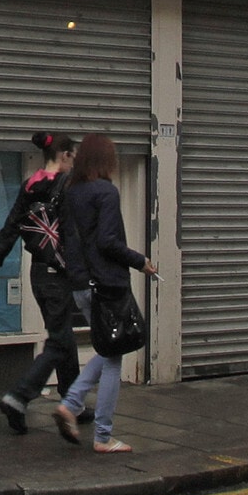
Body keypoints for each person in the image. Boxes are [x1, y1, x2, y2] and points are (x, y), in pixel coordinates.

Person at [55, 132, 156, 454]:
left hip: (81, 285)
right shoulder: (105, 192)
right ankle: (103, 436)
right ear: (105, 160)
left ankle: (70, 404)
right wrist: (141, 262)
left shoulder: (70, 191)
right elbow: (108, 242)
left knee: (106, 347)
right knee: (114, 357)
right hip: (107, 283)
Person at [0, 132, 78, 433]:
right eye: (72, 156)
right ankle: (19, 396)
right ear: (64, 155)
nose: (74, 161)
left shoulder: (30, 185)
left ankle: (73, 402)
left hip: (38, 273)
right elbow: (75, 234)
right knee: (59, 340)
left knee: (64, 336)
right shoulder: (67, 186)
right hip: (57, 273)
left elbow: (11, 227)